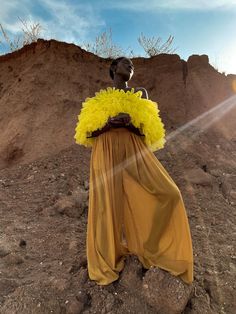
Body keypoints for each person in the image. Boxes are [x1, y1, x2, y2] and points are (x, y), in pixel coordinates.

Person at [74, 57, 194, 286]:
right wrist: (109, 123)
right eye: (125, 63)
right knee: (106, 205)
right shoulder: (99, 99)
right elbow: (87, 133)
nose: (130, 67)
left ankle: (151, 247)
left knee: (169, 193)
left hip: (134, 150)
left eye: (132, 65)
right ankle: (106, 260)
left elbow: (148, 132)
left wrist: (129, 123)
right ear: (113, 69)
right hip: (106, 149)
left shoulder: (140, 94)